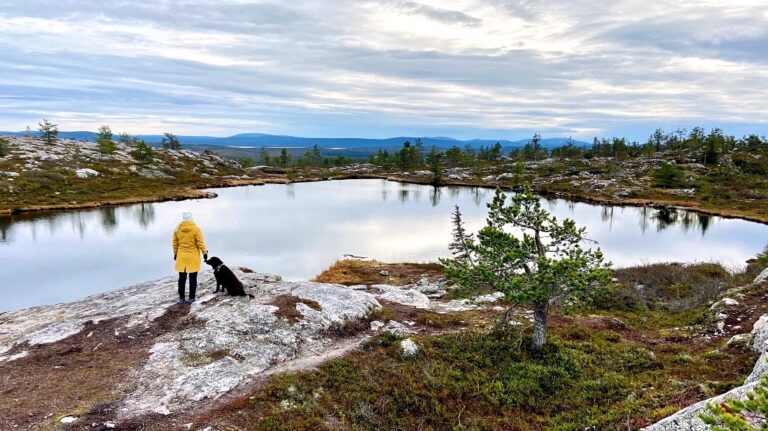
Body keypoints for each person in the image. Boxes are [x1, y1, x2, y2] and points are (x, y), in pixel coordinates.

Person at [172, 212, 208, 304]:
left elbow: (175, 243)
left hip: (181, 256)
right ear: (192, 218)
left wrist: (175, 254)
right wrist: (204, 252)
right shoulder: (196, 229)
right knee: (193, 278)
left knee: (182, 279)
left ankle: (181, 298)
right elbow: (200, 242)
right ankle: (192, 298)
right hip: (193, 256)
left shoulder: (177, 229)